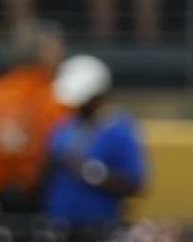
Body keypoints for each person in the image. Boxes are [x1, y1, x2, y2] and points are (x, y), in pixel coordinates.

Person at [0, 20, 66, 213]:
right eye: (57, 49)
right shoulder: (56, 99)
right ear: (42, 53)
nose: (62, 57)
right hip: (38, 197)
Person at [43, 55, 146, 226]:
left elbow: (135, 184)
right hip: (60, 225)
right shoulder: (64, 126)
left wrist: (90, 171)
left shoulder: (121, 131)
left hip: (100, 227)